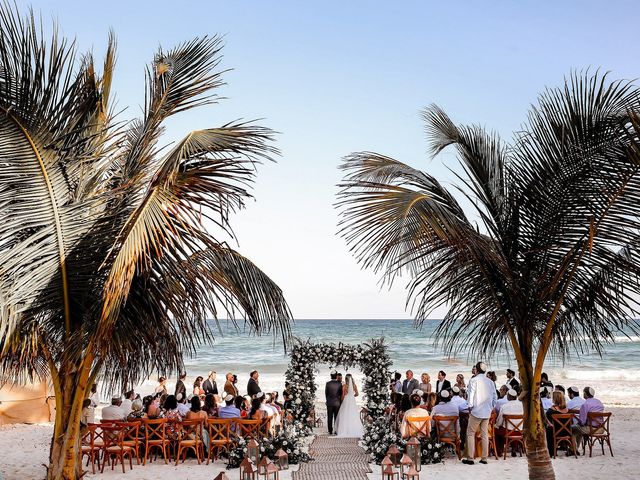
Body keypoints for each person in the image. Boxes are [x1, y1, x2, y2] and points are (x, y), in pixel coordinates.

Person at [462, 361, 497, 465]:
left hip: (476, 411)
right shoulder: (490, 382)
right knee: (484, 434)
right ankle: (484, 458)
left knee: (470, 433)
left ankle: (470, 458)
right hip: (486, 411)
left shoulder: (473, 380)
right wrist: (491, 407)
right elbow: (495, 397)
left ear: (476, 370)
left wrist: (470, 407)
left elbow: (471, 395)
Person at [571, 386, 604, 453]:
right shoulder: (599, 402)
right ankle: (575, 449)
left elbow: (582, 422)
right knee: (578, 429)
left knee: (573, 429)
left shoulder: (585, 404)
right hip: (601, 429)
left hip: (591, 429)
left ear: (585, 394)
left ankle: (573, 450)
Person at [494, 389, 523, 456]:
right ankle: (514, 449)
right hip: (520, 431)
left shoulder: (504, 406)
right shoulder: (522, 405)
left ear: (508, 397)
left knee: (496, 431)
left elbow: (499, 422)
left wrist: (496, 425)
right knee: (515, 428)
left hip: (507, 432)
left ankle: (499, 451)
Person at [335, 373, 362, 438]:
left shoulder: (344, 386)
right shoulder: (354, 385)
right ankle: (353, 429)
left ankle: (344, 429)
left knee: (344, 414)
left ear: (346, 379)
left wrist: (341, 401)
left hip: (346, 400)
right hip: (352, 401)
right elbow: (357, 394)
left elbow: (343, 395)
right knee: (352, 414)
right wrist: (352, 396)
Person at [325, 371, 343, 435]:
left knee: (329, 417)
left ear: (331, 376)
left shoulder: (328, 383)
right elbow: (341, 394)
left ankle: (330, 431)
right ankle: (336, 431)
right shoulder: (339, 384)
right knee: (336, 417)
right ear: (336, 376)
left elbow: (326, 394)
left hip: (329, 402)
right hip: (337, 403)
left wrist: (327, 400)